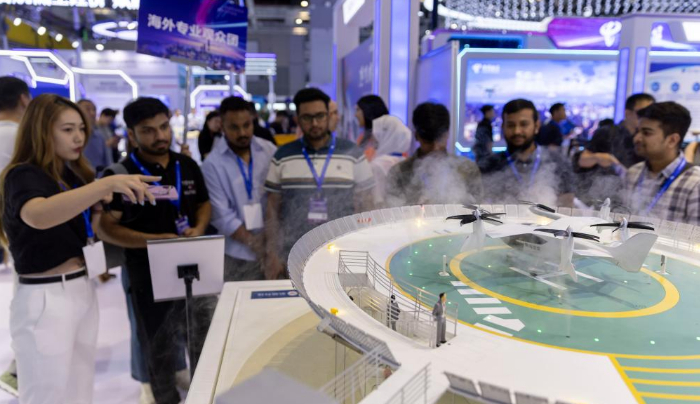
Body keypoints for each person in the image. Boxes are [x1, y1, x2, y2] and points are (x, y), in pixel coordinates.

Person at [1, 93, 158, 404]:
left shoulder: (69, 175)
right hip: (45, 296)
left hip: (81, 288)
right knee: (46, 395)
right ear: (41, 131)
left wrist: (99, 206)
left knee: (80, 390)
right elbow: (38, 216)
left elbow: (85, 232)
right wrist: (102, 186)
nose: (78, 138)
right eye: (68, 129)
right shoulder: (23, 174)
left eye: (82, 129)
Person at [98, 97, 213, 404]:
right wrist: (153, 241)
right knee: (157, 344)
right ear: (132, 134)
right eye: (148, 130)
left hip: (193, 267)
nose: (160, 136)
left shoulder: (186, 164)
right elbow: (106, 227)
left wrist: (199, 227)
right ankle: (165, 398)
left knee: (201, 337)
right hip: (146, 273)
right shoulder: (120, 174)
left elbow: (203, 203)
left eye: (163, 127)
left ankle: (204, 394)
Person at [264, 88, 375, 280]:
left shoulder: (353, 153)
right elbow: (272, 209)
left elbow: (367, 205)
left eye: (320, 116)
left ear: (329, 115)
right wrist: (272, 253)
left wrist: (366, 247)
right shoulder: (283, 155)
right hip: (294, 254)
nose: (315, 123)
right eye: (307, 118)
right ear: (297, 120)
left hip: (344, 253)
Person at [202, 96, 277, 281]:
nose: (242, 132)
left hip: (274, 248)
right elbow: (222, 215)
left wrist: (271, 246)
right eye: (234, 127)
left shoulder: (268, 150)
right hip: (237, 254)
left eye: (246, 125)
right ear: (222, 126)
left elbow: (278, 197)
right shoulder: (212, 164)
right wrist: (256, 245)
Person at [479, 99, 575, 207]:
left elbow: (566, 208)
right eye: (510, 125)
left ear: (536, 126)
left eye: (524, 124)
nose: (517, 131)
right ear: (503, 127)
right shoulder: (489, 165)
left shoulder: (558, 163)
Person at [385, 102, 483, 207]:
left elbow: (477, 208)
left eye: (439, 139)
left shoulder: (466, 169)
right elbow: (393, 210)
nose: (435, 147)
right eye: (428, 141)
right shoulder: (399, 172)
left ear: (447, 134)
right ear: (416, 136)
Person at [0, 76, 31, 398]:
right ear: (23, 99)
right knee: (27, 295)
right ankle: (19, 369)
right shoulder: (20, 137)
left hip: (8, 229)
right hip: (25, 229)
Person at [625, 102, 700, 225]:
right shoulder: (633, 173)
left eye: (646, 133)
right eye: (637, 131)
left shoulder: (695, 183)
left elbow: (697, 236)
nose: (636, 138)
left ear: (672, 140)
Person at [580, 93, 655, 170]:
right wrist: (597, 157)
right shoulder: (608, 132)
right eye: (642, 113)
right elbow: (582, 160)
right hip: (607, 176)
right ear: (628, 113)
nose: (647, 117)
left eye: (652, 114)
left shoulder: (651, 137)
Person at [370, 115, 412, 207]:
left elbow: (377, 201)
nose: (373, 139)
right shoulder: (407, 161)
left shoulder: (377, 165)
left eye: (376, 135)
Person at [78, 99, 114, 173]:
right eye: (87, 109)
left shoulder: (99, 137)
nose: (92, 113)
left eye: (94, 110)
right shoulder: (72, 138)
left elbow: (108, 163)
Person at [355, 95, 389, 161]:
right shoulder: (362, 137)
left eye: (358, 110)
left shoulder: (389, 137)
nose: (355, 115)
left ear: (368, 111)